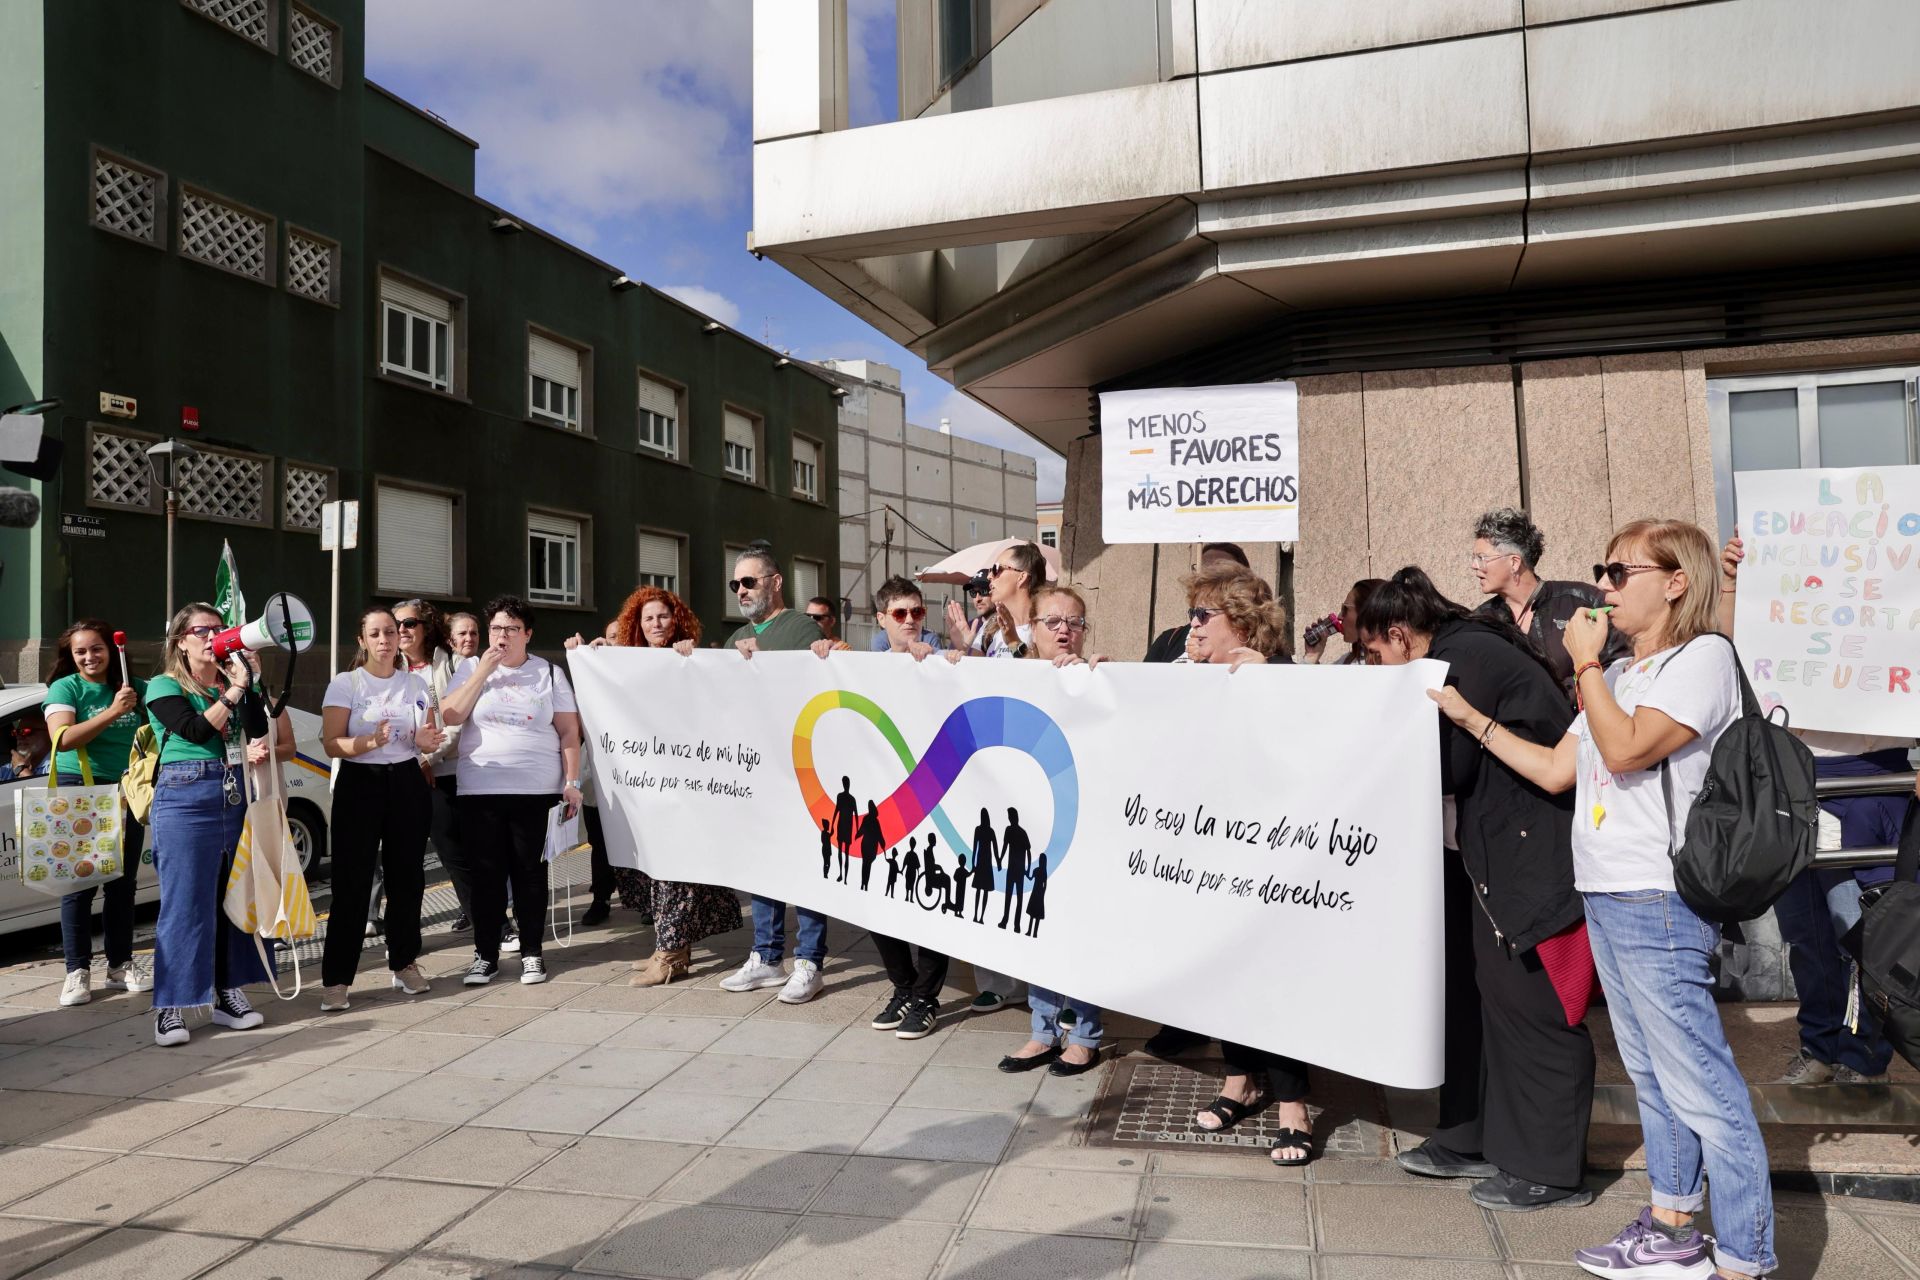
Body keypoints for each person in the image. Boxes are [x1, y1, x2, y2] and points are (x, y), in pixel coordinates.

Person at [1431, 518, 1774, 1279]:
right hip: (1608, 892)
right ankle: (1672, 1226)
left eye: (1620, 573)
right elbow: (1558, 770)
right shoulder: (1620, 676)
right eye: (1604, 571)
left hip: (1660, 895)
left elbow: (1623, 749)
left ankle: (1746, 1256)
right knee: (1653, 1076)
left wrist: (1585, 662)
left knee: (1702, 1082)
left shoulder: (1702, 658)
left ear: (1675, 583)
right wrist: (1469, 719)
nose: (1605, 587)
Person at [1359, 569, 1595, 1212]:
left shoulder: (1461, 659)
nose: (1376, 667)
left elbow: (1446, 764)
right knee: (1472, 1004)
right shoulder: (1459, 648)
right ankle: (1468, 1137)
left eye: (1375, 654)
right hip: (1489, 855)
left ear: (1400, 633)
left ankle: (1548, 1168)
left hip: (1527, 860)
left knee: (1533, 1011)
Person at [1718, 529, 1909, 1085]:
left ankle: (1866, 1055)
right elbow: (1730, 651)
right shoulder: (1777, 611)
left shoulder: (1889, 604)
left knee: (1869, 927)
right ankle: (1821, 1046)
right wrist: (1733, 584)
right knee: (1805, 930)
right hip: (1793, 777)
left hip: (1871, 776)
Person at [1162, 563, 1316, 1167]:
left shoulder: (1279, 675)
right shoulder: (1187, 673)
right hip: (1207, 851)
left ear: (1244, 623)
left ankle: (1294, 1108)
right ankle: (1238, 1080)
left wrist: (1270, 684)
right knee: (1222, 972)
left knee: (1267, 976)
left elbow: (1307, 742)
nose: (1191, 627)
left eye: (1204, 616)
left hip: (1268, 854)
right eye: (1191, 615)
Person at [144, 602, 294, 1048]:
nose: (212, 638)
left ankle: (228, 993)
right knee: (186, 903)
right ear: (180, 641)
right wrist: (231, 693)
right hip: (186, 797)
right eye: (201, 631)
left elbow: (254, 731)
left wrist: (251, 685)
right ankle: (171, 1005)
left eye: (217, 629)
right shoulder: (164, 685)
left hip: (233, 793)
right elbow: (194, 732)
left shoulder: (231, 682)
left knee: (237, 897)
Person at [589, 585, 740, 988]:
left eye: (664, 616)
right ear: (637, 625)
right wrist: (590, 653)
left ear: (677, 620)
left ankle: (671, 956)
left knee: (677, 867)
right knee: (657, 868)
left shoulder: (691, 657)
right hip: (647, 786)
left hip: (688, 785)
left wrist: (697, 662)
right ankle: (669, 946)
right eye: (648, 618)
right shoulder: (631, 663)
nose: (657, 623)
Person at [439, 595, 583, 988]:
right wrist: (481, 672)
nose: (502, 636)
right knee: (486, 876)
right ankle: (484, 955)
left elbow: (570, 732)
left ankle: (533, 954)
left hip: (535, 790)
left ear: (528, 634)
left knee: (529, 875)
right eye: (497, 629)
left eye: (511, 629)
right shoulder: (471, 667)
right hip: (480, 790)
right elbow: (450, 714)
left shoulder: (548, 674)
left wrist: (572, 783)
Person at [998, 585, 1107, 1076]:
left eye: (1075, 622)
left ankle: (1083, 1034)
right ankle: (1043, 1030)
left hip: (1081, 829)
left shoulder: (1098, 677)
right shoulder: (1014, 677)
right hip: (1028, 826)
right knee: (1035, 926)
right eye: (1053, 621)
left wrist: (1103, 679)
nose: (1065, 630)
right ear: (1033, 629)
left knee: (1079, 930)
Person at [720, 543, 834, 1004]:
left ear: (775, 582)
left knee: (804, 865)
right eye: (736, 584)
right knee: (764, 866)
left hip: (800, 770)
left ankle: (809, 961)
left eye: (749, 581)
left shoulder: (800, 628)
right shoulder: (733, 641)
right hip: (755, 774)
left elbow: (826, 683)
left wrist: (828, 652)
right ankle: (766, 958)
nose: (741, 590)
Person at [316, 607, 444, 1011]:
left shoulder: (416, 683)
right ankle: (337, 980)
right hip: (360, 783)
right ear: (362, 640)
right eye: (376, 634)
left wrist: (427, 742)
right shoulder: (346, 683)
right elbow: (332, 743)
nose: (386, 640)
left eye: (391, 631)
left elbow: (424, 737)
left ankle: (404, 962)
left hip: (406, 780)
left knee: (408, 879)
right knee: (351, 885)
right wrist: (370, 741)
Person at [41, 621, 148, 1007]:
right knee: (79, 885)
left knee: (122, 884)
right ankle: (77, 972)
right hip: (80, 788)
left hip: (126, 790)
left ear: (112, 649)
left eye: (97, 648)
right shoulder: (65, 688)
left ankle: (120, 966)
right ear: (71, 656)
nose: (90, 657)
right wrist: (113, 711)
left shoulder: (139, 688)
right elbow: (62, 738)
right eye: (81, 651)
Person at [1470, 507, 1629, 697]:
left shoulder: (1582, 600)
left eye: (1482, 558)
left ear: (1514, 562)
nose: (1474, 566)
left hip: (1583, 722)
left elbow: (1619, 668)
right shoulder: (1479, 622)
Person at [566, 618, 652, 927]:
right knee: (600, 842)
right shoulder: (594, 672)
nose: (617, 641)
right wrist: (580, 658)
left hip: (638, 775)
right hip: (599, 777)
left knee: (643, 839)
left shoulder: (642, 669)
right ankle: (601, 897)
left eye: (623, 636)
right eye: (612, 636)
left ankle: (647, 900)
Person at [395, 597, 471, 933]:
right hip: (408, 775)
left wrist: (428, 758)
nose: (401, 631)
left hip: (449, 771)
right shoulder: (389, 668)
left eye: (409, 624)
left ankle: (494, 921)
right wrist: (414, 761)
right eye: (397, 625)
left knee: (464, 851)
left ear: (426, 627)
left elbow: (456, 721)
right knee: (430, 855)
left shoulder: (449, 664)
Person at [1144, 543, 1250, 662]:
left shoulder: (1259, 652)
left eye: (1220, 569)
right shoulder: (1169, 639)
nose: (1208, 575)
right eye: (1202, 567)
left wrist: (1210, 658)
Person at [1300, 578, 1386, 665]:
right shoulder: (1348, 661)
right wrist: (1311, 657)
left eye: (1345, 609)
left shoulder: (1392, 665)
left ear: (1366, 614)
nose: (1339, 616)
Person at [941, 574, 994, 653]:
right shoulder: (966, 627)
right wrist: (962, 648)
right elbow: (953, 662)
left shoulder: (1009, 626)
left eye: (984, 591)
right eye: (973, 593)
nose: (977, 599)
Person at [2, 710, 52, 781]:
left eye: (26, 731)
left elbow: (49, 792)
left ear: (48, 733)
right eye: (16, 732)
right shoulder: (6, 770)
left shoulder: (60, 766)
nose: (19, 737)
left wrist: (21, 770)